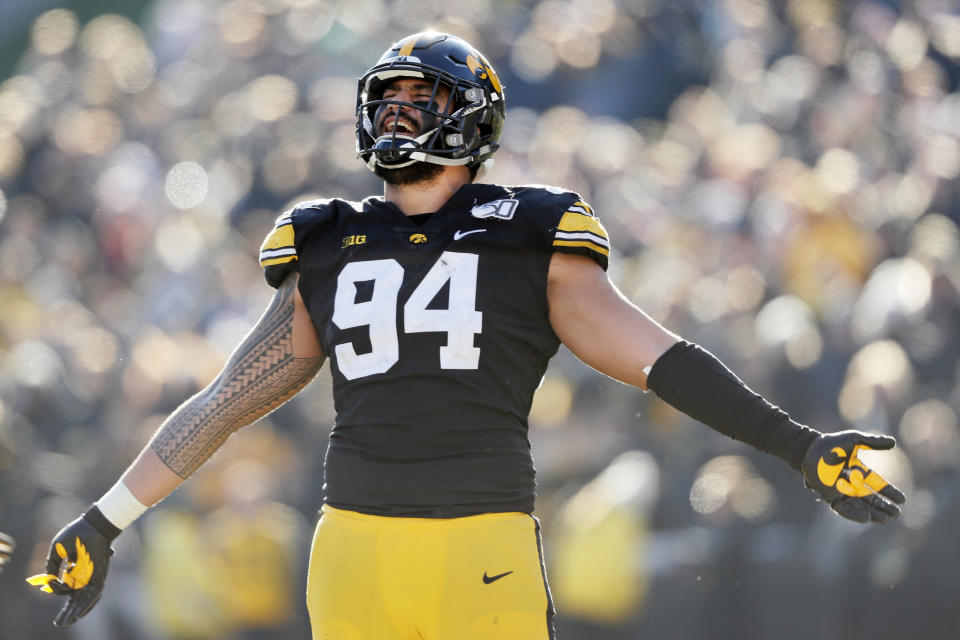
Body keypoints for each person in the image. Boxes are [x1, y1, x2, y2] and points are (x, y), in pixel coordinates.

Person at [29, 32, 905, 638]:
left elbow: (659, 357)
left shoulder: (532, 231)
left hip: (475, 540)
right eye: (392, 99)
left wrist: (796, 446)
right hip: (353, 547)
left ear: (472, 116)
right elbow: (224, 403)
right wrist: (105, 522)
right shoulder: (330, 238)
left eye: (425, 98)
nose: (403, 114)